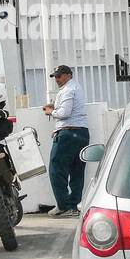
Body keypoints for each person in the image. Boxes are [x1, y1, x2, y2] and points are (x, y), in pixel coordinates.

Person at [42, 64, 89, 217]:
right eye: (55, 76)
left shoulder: (68, 89)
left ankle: (63, 206)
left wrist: (51, 111)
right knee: (77, 171)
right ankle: (74, 205)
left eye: (59, 76)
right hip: (81, 133)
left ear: (68, 75)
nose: (56, 79)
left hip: (68, 133)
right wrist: (55, 106)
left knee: (56, 169)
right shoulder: (76, 88)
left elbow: (65, 113)